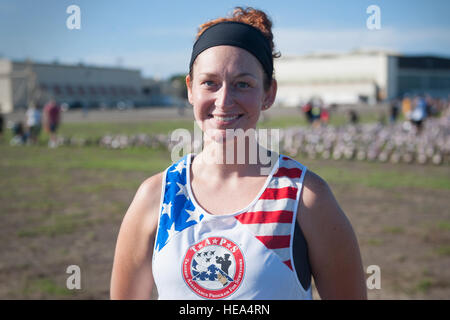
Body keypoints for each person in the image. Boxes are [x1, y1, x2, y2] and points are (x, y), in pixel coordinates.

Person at [110, 7, 366, 300]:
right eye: (210, 83)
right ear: (191, 89)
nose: (224, 100)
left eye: (243, 84)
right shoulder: (157, 195)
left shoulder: (305, 198)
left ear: (268, 94)